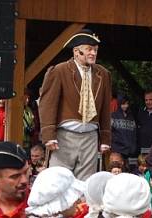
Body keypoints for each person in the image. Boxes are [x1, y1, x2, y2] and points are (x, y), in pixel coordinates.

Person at [39, 28, 112, 180]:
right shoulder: (60, 70)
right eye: (89, 49)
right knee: (58, 182)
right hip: (64, 136)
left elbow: (105, 108)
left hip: (90, 136)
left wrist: (105, 138)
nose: (93, 53)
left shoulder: (103, 74)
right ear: (76, 52)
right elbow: (48, 103)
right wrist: (48, 135)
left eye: (95, 50)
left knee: (85, 184)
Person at [110, 95, 137, 160]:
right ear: (119, 104)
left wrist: (133, 148)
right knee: (117, 169)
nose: (126, 106)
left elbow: (134, 134)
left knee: (127, 169)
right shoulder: (113, 116)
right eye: (123, 104)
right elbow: (109, 133)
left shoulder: (131, 117)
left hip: (129, 151)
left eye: (127, 103)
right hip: (117, 150)